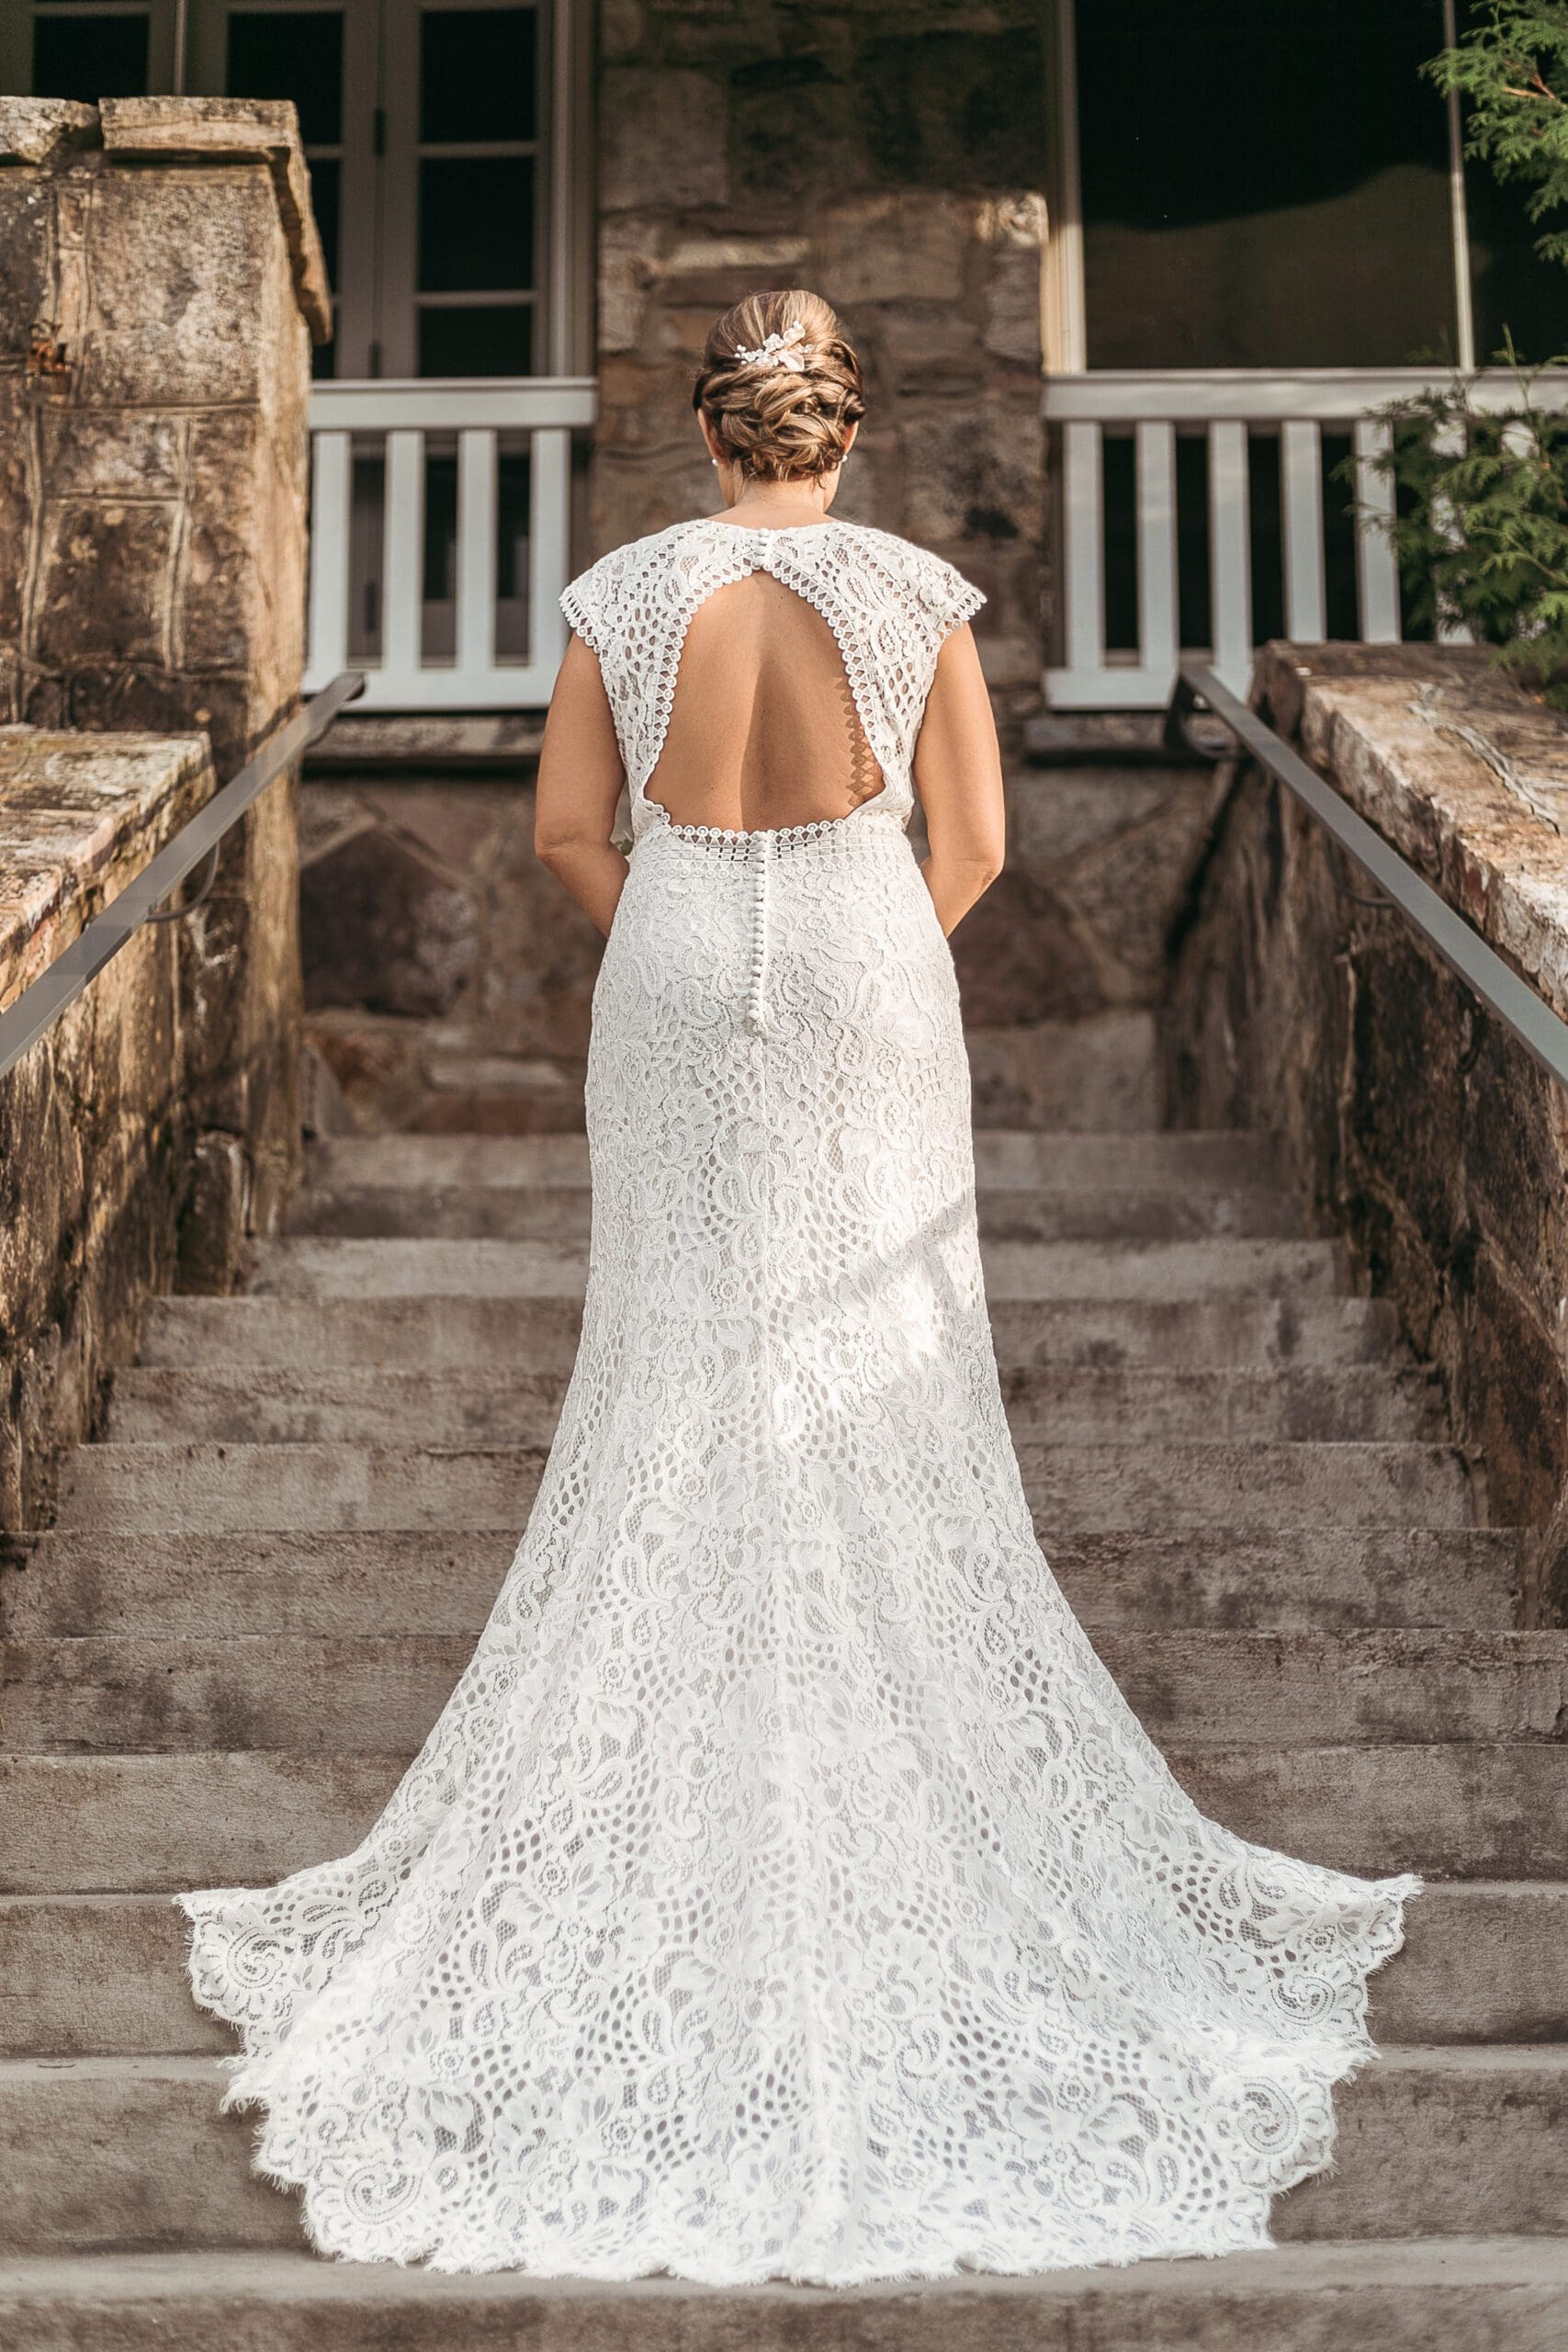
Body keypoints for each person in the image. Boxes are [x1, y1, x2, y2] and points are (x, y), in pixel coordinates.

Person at [180, 288, 1416, 2285]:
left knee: (670, 1361)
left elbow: (572, 832)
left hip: (669, 969)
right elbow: (980, 843)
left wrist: (695, 918)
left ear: (706, 428)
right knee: (870, 1358)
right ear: (845, 432)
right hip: (860, 960)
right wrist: (851, 940)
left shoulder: (620, 589)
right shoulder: (914, 587)